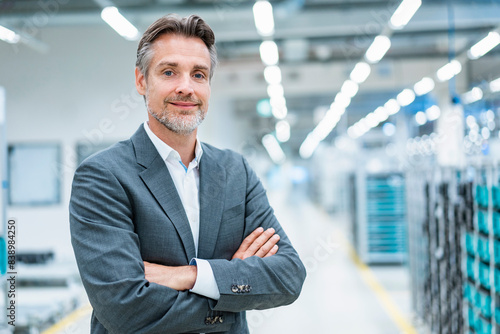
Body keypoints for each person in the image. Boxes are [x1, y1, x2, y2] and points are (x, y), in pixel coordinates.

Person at [69, 13, 306, 334]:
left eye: (199, 74)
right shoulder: (103, 175)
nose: (186, 87)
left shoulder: (236, 171)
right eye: (169, 72)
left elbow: (288, 276)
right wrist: (231, 293)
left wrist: (192, 275)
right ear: (141, 81)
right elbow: (123, 308)